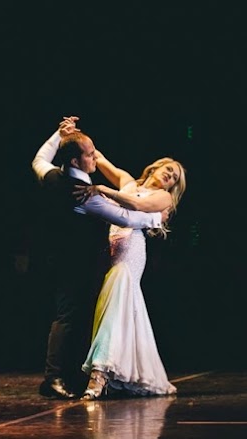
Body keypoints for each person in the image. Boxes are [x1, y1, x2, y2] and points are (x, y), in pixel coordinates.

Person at [30, 116, 167, 399]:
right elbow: (124, 217)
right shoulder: (83, 194)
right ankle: (54, 378)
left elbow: (39, 159)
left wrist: (58, 134)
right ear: (76, 161)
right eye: (90, 154)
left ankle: (70, 374)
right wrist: (156, 219)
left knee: (77, 316)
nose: (96, 157)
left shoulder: (54, 175)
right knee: (69, 317)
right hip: (76, 263)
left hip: (62, 258)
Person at [73, 146, 186, 400]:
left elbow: (136, 203)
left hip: (130, 252)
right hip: (110, 253)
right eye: (169, 170)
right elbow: (98, 157)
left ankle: (99, 373)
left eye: (174, 178)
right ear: (156, 167)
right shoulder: (127, 181)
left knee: (115, 309)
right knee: (116, 310)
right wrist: (72, 135)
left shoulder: (163, 197)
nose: (170, 176)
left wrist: (102, 189)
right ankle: (119, 370)